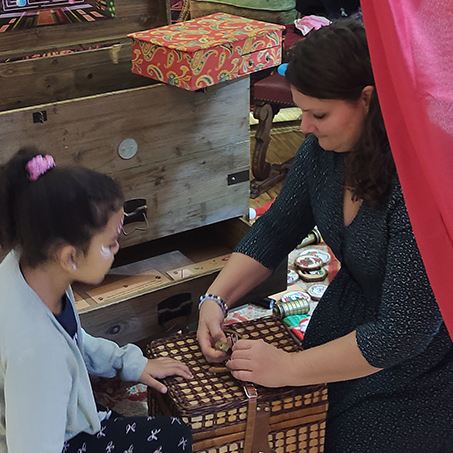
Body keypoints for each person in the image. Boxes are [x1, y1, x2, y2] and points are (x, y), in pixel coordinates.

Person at [197, 20, 453, 452]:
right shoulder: (325, 150)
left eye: (318, 115)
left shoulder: (420, 186)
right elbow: (277, 227)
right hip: (349, 321)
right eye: (302, 111)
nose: (304, 127)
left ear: (367, 100)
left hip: (422, 364)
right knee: (297, 426)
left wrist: (288, 368)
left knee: (338, 439)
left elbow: (403, 332)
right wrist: (215, 299)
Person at [0, 147, 193, 453]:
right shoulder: (38, 355)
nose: (117, 248)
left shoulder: (33, 266)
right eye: (111, 242)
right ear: (70, 257)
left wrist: (130, 363)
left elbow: (74, 341)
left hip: (49, 417)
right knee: (176, 436)